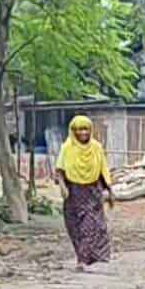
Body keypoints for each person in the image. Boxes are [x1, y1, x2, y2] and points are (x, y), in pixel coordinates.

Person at [56, 115, 114, 272]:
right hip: (73, 192)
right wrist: (62, 186)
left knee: (90, 225)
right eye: (80, 129)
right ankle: (82, 256)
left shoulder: (96, 147)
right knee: (74, 226)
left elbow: (103, 169)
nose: (83, 132)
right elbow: (60, 169)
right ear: (73, 131)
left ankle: (82, 259)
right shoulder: (67, 147)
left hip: (92, 191)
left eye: (86, 129)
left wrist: (109, 190)